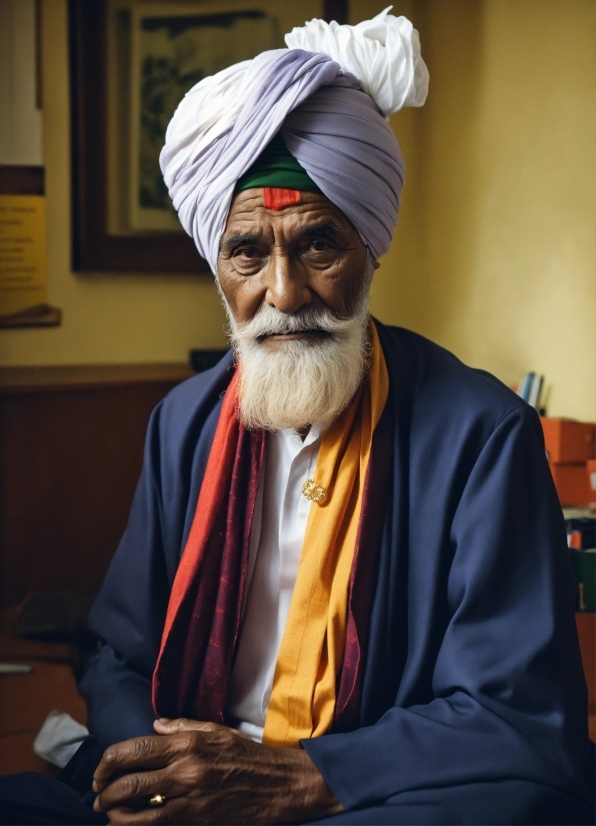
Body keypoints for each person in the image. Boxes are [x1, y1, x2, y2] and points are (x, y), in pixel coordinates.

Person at [0, 10, 594, 826]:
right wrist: (164, 775)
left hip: (360, 797)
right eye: (249, 252)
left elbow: (516, 715)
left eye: (319, 245)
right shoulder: (183, 424)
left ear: (371, 248)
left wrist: (299, 779)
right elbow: (117, 652)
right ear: (220, 268)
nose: (282, 293)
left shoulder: (482, 439)